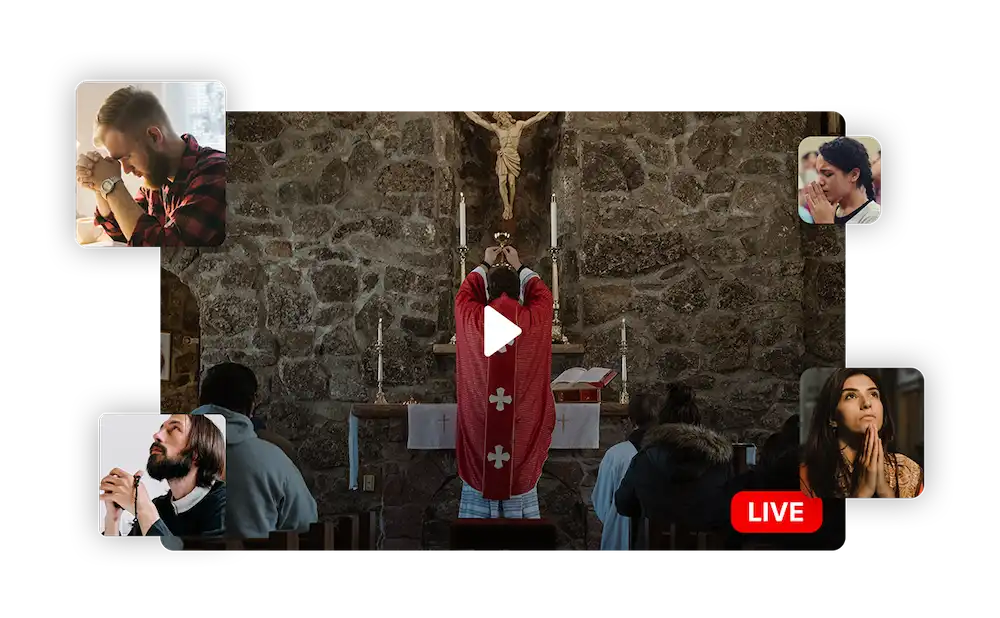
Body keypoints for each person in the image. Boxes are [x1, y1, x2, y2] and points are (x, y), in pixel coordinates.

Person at [454, 245, 555, 518]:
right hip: (518, 444)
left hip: (481, 435)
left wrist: (484, 264)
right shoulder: (532, 319)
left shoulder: (473, 318)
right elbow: (545, 297)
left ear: (488, 292)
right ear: (519, 292)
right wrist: (521, 266)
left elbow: (463, 297)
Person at [74, 86, 227, 247]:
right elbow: (124, 233)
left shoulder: (216, 173)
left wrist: (110, 184)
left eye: (127, 156)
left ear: (154, 136)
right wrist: (99, 188)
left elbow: (166, 254)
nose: (125, 170)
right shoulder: (157, 179)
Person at [191, 362, 318, 537]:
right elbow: (304, 522)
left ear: (202, 398)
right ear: (251, 404)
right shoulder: (274, 459)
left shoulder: (153, 452)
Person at [615, 384, 733, 539]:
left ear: (661, 421)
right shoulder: (720, 462)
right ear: (698, 421)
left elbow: (624, 505)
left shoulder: (645, 459)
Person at [800, 368, 925, 499]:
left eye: (874, 394)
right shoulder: (807, 475)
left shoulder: (907, 470)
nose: (867, 403)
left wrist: (884, 491)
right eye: (851, 396)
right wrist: (863, 491)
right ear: (832, 417)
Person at [100, 414, 226, 539]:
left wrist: (144, 509)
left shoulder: (227, 506)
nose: (157, 435)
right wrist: (113, 519)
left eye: (174, 428)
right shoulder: (159, 507)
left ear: (197, 452)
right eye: (161, 429)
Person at [591, 393, 661, 559]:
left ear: (631, 420)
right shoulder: (667, 453)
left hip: (620, 542)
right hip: (658, 542)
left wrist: (616, 522)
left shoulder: (616, 455)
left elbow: (601, 503)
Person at [803, 136, 881, 225]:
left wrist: (825, 223)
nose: (819, 182)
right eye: (818, 174)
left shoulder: (873, 216)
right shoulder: (827, 211)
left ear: (854, 175)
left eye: (828, 174)